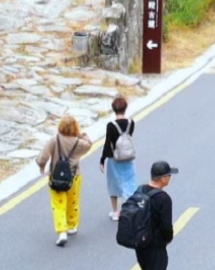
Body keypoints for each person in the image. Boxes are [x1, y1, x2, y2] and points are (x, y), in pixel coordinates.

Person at [133, 161, 177, 270]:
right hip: (156, 245)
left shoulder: (140, 190)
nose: (170, 178)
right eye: (169, 175)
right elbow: (166, 227)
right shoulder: (163, 199)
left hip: (140, 243)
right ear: (163, 178)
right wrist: (167, 240)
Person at [36, 116, 91, 246]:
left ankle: (62, 231)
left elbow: (43, 157)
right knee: (73, 202)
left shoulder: (54, 140)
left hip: (56, 178)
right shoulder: (78, 143)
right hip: (73, 177)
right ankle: (72, 225)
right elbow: (89, 144)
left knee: (58, 205)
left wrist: (42, 167)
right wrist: (83, 135)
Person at [100, 95, 138, 221]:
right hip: (128, 157)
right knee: (129, 182)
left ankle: (115, 211)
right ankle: (129, 209)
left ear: (113, 109)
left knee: (114, 184)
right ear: (125, 108)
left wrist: (102, 160)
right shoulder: (131, 123)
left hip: (114, 158)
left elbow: (107, 143)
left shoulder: (111, 126)